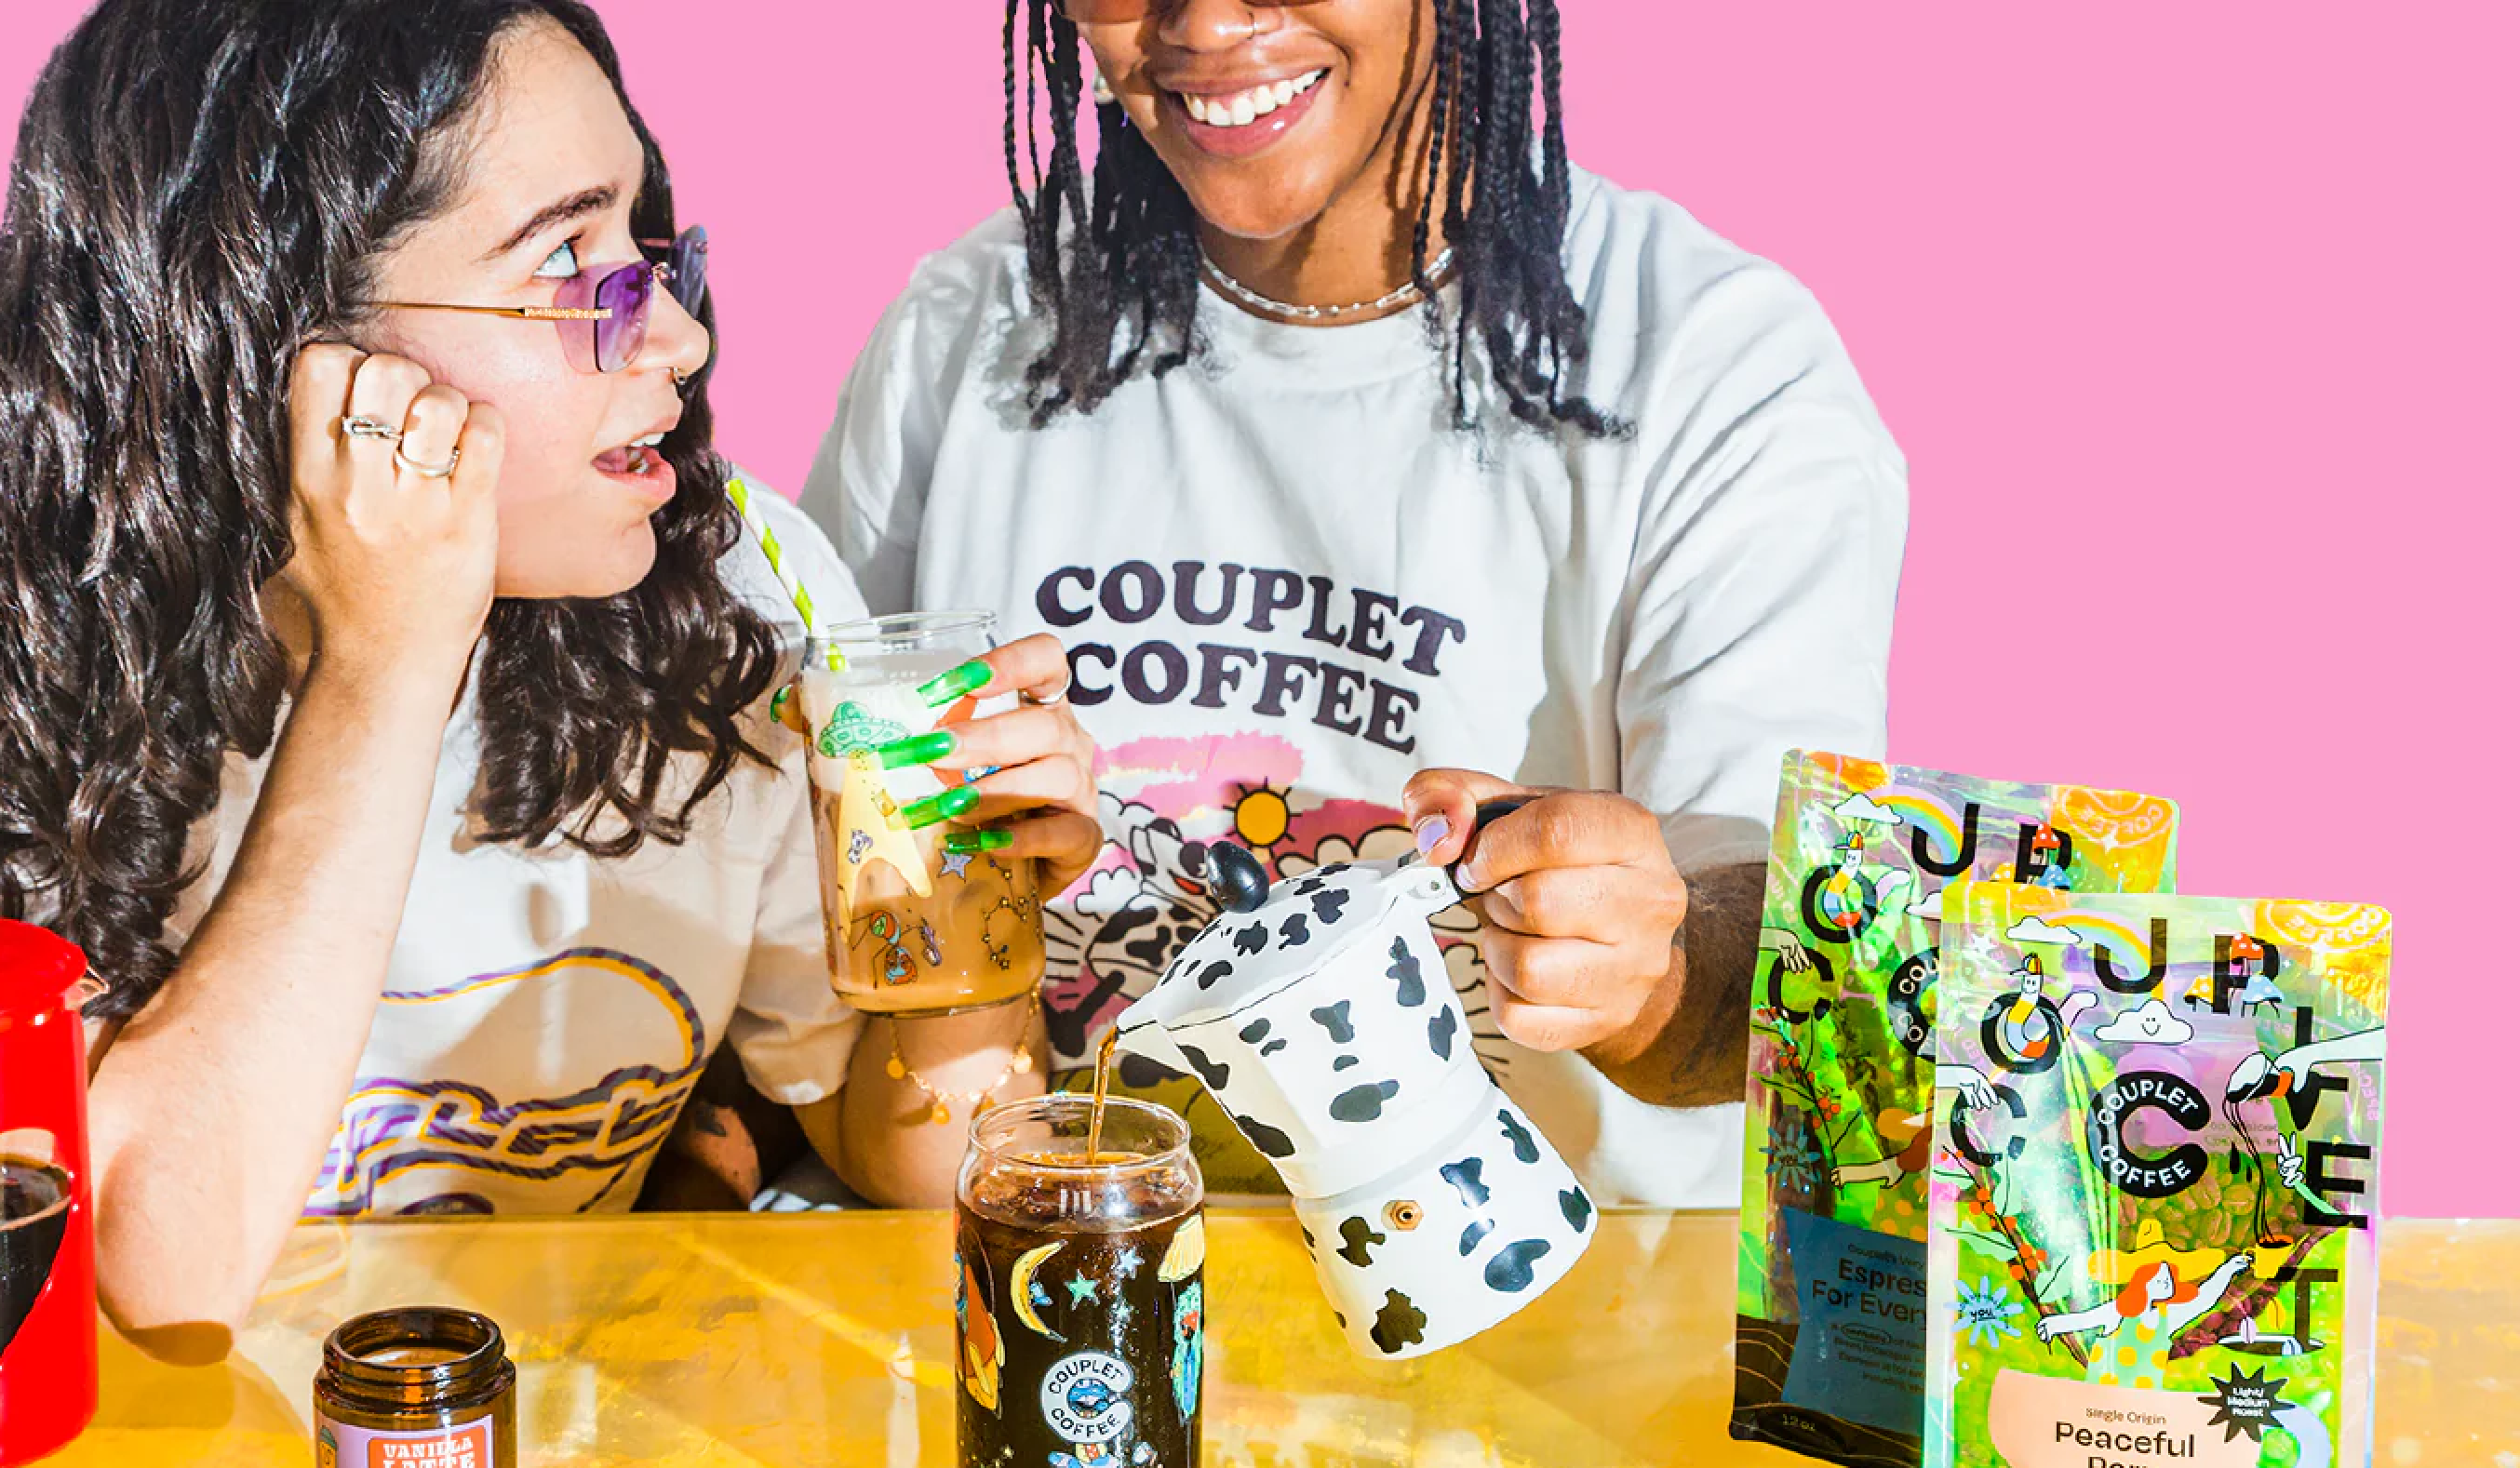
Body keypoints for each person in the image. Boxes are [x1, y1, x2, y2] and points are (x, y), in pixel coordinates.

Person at [0, 0, 1104, 1344]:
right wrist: (385, 660)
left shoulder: (730, 588)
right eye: (569, 267)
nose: (680, 337)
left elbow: (911, 1155)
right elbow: (148, 1284)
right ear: (284, 339)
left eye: (648, 248)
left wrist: (969, 910)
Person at [803, 0, 1906, 1207]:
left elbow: (1802, 946)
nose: (1204, 20)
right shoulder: (964, 334)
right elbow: (781, 887)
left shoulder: (1713, 364)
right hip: (1070, 1288)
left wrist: (1654, 974)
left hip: (1542, 1305)